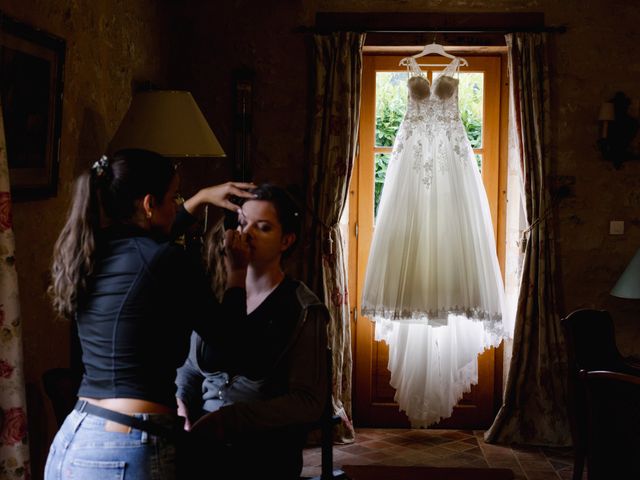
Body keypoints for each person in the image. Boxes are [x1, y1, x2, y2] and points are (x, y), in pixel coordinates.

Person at [44, 148, 256, 480]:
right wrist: (237, 274)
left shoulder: (89, 252)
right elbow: (227, 346)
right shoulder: (168, 261)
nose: (177, 206)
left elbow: (145, 248)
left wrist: (199, 199)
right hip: (125, 446)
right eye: (174, 198)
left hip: (73, 438)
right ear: (148, 203)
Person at [175, 183, 329, 479]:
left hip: (263, 448)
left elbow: (308, 402)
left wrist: (230, 420)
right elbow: (190, 369)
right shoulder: (219, 295)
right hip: (200, 437)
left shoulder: (303, 308)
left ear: (286, 240)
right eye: (243, 224)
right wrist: (181, 402)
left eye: (263, 227)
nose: (247, 235)